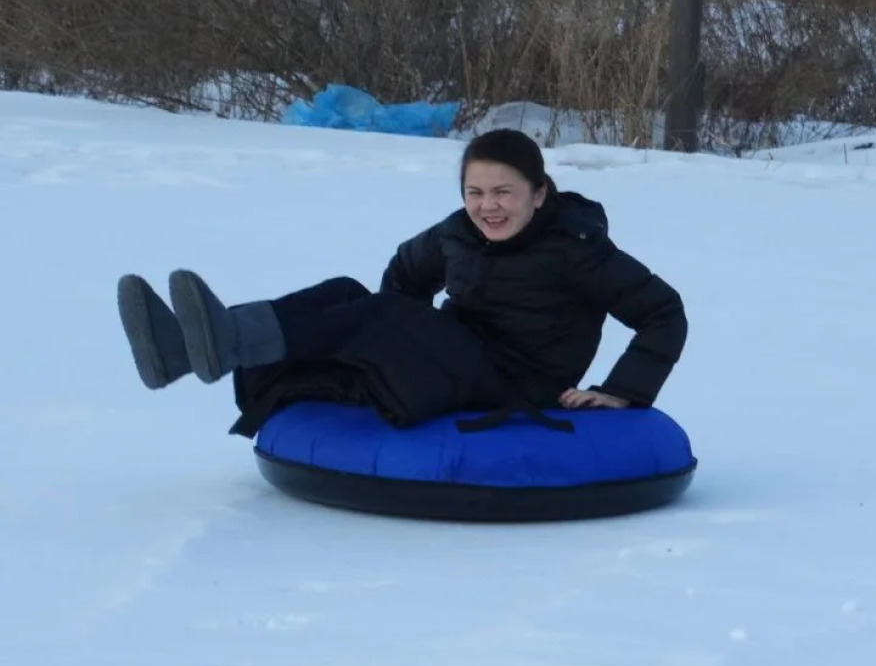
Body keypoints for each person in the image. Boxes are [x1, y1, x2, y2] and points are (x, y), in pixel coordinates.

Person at [115, 129, 688, 437]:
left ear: (540, 193)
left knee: (383, 315)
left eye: (504, 192)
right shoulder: (457, 233)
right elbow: (405, 276)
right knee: (345, 292)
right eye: (475, 192)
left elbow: (663, 311)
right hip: (459, 356)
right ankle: (181, 352)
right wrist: (387, 347)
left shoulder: (576, 249)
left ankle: (225, 341)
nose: (488, 207)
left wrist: (623, 391)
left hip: (516, 383)